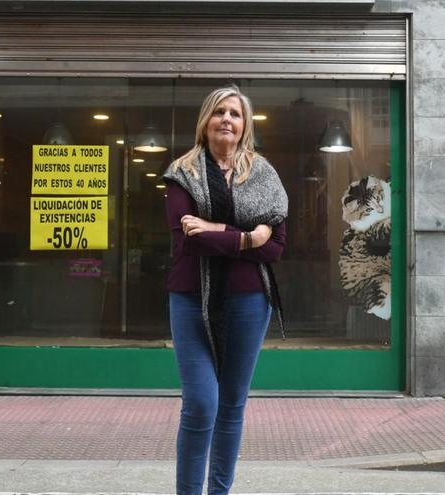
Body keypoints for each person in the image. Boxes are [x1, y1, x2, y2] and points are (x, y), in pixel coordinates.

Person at [162, 85, 288, 495]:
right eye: (219, 112)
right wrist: (248, 238)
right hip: (190, 299)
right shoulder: (182, 172)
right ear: (206, 121)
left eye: (235, 114)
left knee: (232, 404)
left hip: (250, 300)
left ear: (245, 124)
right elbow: (189, 241)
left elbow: (277, 246)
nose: (227, 120)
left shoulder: (263, 174)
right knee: (202, 403)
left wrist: (217, 229)